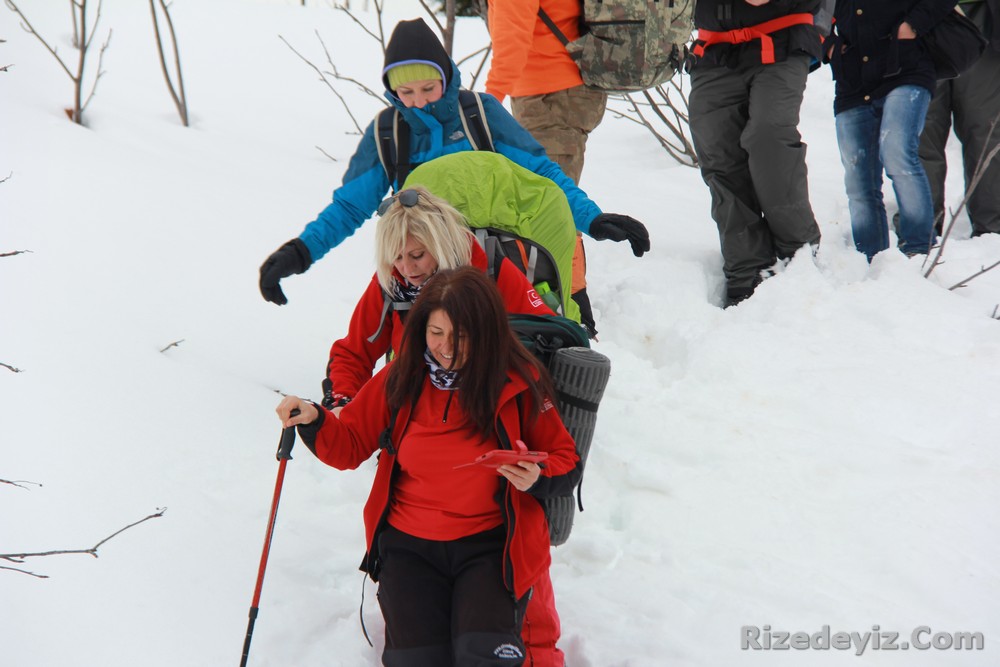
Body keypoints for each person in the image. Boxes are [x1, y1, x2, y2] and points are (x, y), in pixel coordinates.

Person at [277, 266, 581, 666]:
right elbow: (349, 444)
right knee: (418, 660)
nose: (447, 348)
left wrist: (538, 476)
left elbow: (565, 458)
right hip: (410, 547)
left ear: (486, 332)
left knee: (484, 655)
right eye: (436, 333)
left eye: (462, 336)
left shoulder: (518, 379)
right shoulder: (401, 376)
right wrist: (314, 418)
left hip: (490, 546)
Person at [259, 17, 649, 309]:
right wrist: (299, 252)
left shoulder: (480, 114)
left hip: (499, 259)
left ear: (446, 78)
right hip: (424, 272)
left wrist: (593, 219)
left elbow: (541, 176)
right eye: (406, 92)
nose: (419, 101)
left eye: (428, 88)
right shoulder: (388, 133)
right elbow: (348, 208)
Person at [484, 0, 609, 336]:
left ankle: (574, 311)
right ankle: (563, 301)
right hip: (559, 89)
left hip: (551, 94)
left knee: (551, 206)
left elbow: (512, 42)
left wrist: (486, 105)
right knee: (550, 200)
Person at [688, 0, 823, 308]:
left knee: (768, 137)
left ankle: (798, 254)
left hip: (781, 38)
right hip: (715, 49)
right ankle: (746, 269)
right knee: (718, 155)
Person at [827, 0, 958, 262]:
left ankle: (918, 251)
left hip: (905, 65)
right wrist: (827, 44)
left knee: (897, 153)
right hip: (853, 77)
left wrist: (913, 25)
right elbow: (812, 8)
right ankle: (870, 261)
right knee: (858, 179)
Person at [918, 0, 1000, 237]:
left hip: (985, 17)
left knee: (985, 129)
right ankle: (919, 230)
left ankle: (991, 230)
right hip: (916, 19)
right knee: (921, 130)